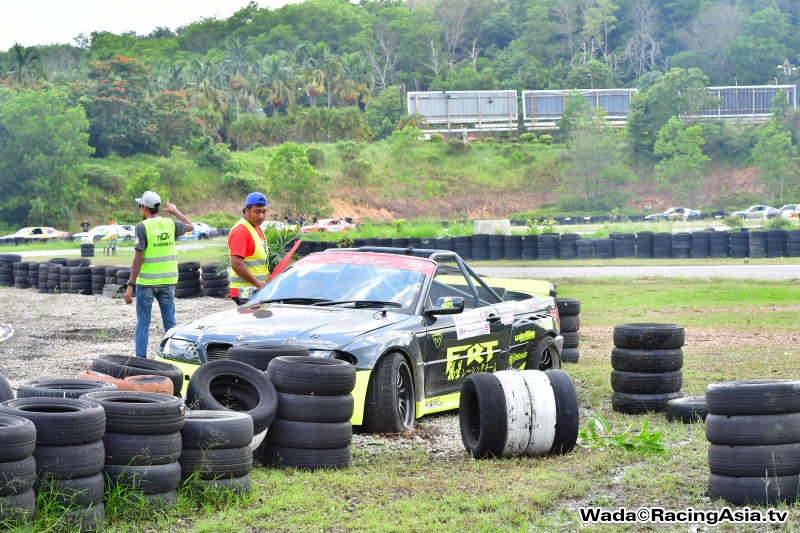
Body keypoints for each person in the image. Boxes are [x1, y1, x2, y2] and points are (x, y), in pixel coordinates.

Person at [124, 191, 193, 358]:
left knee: (143, 324)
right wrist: (174, 210)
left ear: (145, 208)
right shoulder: (170, 224)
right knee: (170, 322)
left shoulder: (142, 227)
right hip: (167, 282)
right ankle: (174, 357)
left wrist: (130, 285)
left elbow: (138, 258)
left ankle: (140, 359)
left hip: (146, 284)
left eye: (140, 205)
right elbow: (190, 226)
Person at [228, 192, 269, 305]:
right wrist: (258, 284)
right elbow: (236, 264)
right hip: (245, 292)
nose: (261, 216)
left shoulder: (255, 227)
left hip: (256, 289)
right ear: (246, 210)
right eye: (257, 212)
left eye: (264, 211)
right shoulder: (241, 231)